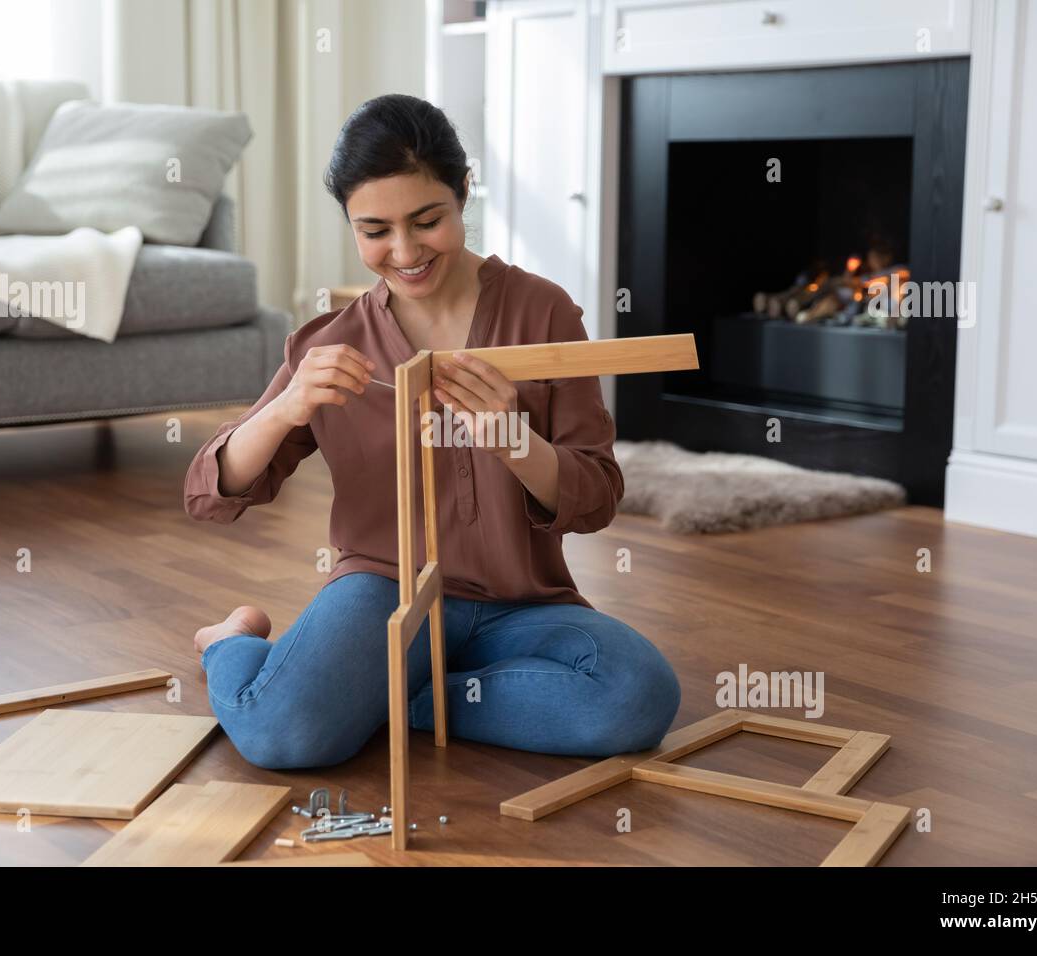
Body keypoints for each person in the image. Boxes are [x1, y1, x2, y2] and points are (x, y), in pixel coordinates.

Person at [183, 93, 680, 768]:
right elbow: (211, 493)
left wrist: (515, 440)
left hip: (521, 606)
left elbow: (596, 500)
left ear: (464, 191)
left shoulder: (543, 312)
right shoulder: (331, 342)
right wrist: (285, 407)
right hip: (383, 595)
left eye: (427, 221)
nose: (405, 251)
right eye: (375, 230)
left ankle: (393, 698)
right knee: (282, 735)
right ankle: (232, 644)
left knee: (635, 695)